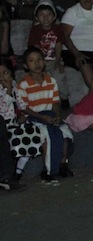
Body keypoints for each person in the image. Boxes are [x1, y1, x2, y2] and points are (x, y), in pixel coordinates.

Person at [17, 46, 74, 182]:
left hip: (50, 115)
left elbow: (55, 102)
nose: (36, 63)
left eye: (39, 60)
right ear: (25, 65)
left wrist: (58, 116)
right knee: (48, 136)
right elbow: (25, 108)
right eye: (32, 61)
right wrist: (42, 117)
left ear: (44, 61)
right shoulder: (23, 85)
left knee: (66, 134)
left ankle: (62, 164)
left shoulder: (51, 81)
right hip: (34, 118)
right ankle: (48, 170)